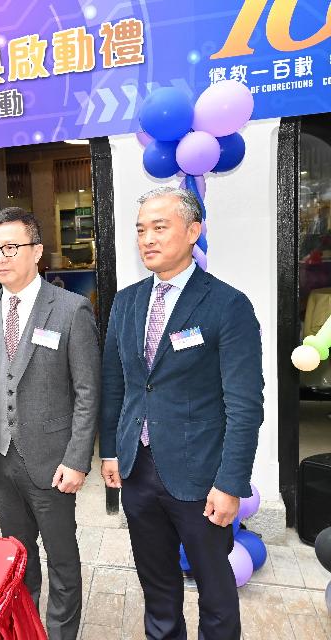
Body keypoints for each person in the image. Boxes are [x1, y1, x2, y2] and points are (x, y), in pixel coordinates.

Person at [100, 187, 263, 640]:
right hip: (137, 470)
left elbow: (246, 404)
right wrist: (110, 450)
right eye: (140, 230)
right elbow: (117, 383)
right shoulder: (126, 301)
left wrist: (231, 483)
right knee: (157, 584)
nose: (147, 239)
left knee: (215, 587)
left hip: (200, 476)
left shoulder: (227, 305)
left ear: (194, 231)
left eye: (160, 227)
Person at [0, 207, 100, 640]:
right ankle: (26, 628)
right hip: (0, 460)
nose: (0, 257)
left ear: (37, 251)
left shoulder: (71, 308)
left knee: (61, 557)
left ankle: (61, 633)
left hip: (52, 460)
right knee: (17, 556)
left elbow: (88, 393)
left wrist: (77, 459)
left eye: (11, 247)